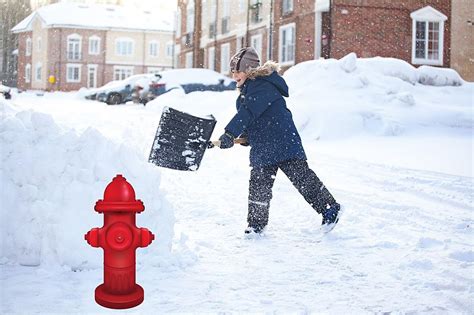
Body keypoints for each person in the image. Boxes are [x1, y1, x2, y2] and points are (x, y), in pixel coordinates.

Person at [217, 47, 341, 234]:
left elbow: (248, 112)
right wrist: (247, 138)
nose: (234, 76)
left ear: (249, 71)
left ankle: (330, 208)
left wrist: (229, 133)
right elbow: (255, 119)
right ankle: (256, 225)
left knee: (302, 179)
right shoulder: (248, 90)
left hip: (282, 142)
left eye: (238, 71)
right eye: (232, 72)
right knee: (259, 185)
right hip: (264, 147)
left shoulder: (262, 86)